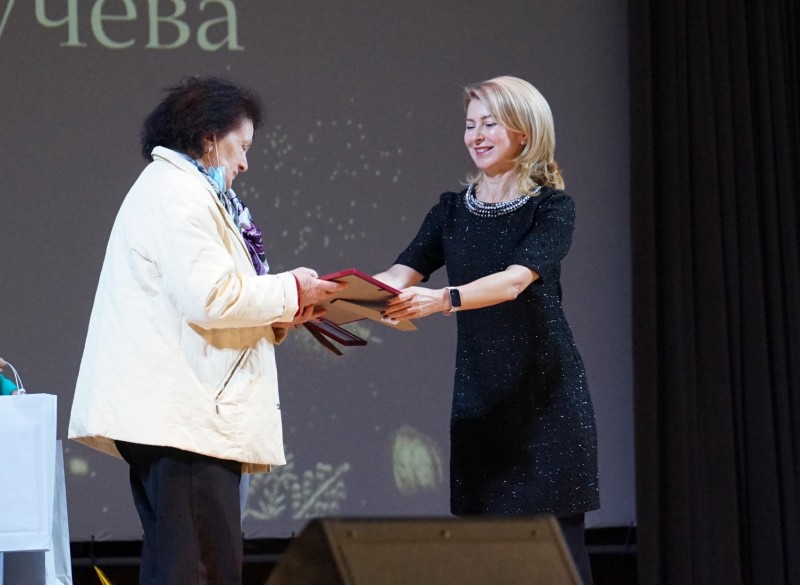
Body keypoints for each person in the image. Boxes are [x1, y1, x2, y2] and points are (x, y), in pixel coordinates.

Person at [68, 76, 344, 585]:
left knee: (182, 570)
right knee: (201, 572)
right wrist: (292, 289)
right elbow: (212, 297)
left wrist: (281, 312)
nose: (245, 164)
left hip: (185, 419)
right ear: (209, 137)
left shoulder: (181, 190)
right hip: (187, 422)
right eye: (242, 147)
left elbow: (205, 297)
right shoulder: (178, 193)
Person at [374, 75, 599, 584]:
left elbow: (515, 281)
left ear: (524, 132)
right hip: (480, 402)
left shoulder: (551, 207)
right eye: (470, 124)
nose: (476, 135)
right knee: (489, 559)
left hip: (545, 401)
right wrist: (335, 296)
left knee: (558, 560)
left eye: (490, 124)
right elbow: (399, 275)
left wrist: (444, 299)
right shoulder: (451, 210)